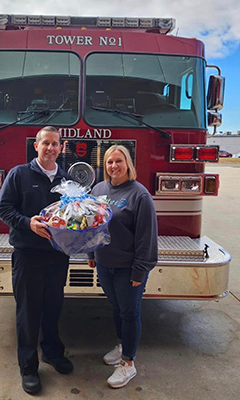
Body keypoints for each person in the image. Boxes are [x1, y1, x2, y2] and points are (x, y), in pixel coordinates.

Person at [0, 126, 73, 395]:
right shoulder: (19, 174)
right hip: (27, 255)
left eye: (55, 144)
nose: (50, 148)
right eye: (45, 143)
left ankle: (52, 352)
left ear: (61, 148)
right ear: (36, 146)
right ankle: (28, 367)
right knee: (28, 313)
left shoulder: (67, 181)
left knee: (53, 308)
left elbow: (72, 216)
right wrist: (27, 223)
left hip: (57, 256)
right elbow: (3, 209)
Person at [87, 145, 158, 389]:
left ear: (128, 164)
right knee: (117, 307)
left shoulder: (139, 195)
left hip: (128, 267)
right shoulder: (98, 189)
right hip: (105, 265)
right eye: (109, 162)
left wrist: (140, 270)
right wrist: (91, 252)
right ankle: (121, 345)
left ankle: (128, 363)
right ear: (104, 166)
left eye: (119, 161)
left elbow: (146, 237)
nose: (114, 166)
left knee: (129, 312)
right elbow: (92, 224)